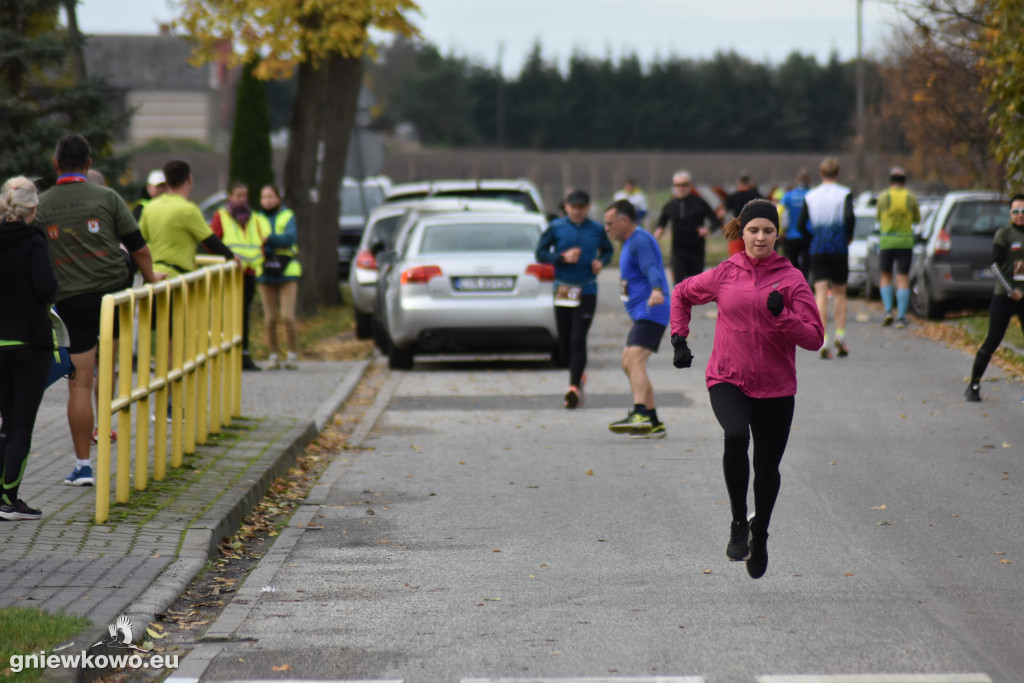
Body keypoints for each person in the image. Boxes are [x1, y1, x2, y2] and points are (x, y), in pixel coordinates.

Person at [670, 199, 823, 578]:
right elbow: (681, 293)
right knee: (735, 436)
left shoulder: (792, 279)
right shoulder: (726, 272)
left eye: (767, 231)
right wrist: (679, 337)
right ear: (743, 232)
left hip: (776, 387)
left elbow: (815, 337)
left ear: (776, 235)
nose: (760, 237)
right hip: (728, 377)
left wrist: (782, 315)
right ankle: (739, 521)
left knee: (767, 468)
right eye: (753, 230)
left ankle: (761, 532)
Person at [34, 134, 164, 487]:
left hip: (72, 299)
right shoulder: (108, 197)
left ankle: (83, 466)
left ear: (56, 163)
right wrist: (151, 277)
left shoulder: (42, 205)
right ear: (89, 164)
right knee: (111, 369)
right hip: (114, 295)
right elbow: (138, 249)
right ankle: (125, 454)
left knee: (80, 384)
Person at [0, 178, 58, 520]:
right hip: (28, 341)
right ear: (33, 210)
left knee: (5, 420)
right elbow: (46, 286)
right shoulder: (34, 240)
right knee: (22, 422)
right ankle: (10, 500)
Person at [536, 189, 614, 408]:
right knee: (565, 345)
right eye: (574, 207)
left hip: (587, 290)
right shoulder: (556, 227)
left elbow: (607, 251)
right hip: (563, 290)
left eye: (582, 207)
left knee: (578, 338)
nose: (577, 211)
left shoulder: (597, 229)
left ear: (588, 208)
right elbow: (540, 253)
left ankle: (573, 388)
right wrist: (561, 257)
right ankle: (579, 375)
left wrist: (601, 262)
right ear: (567, 207)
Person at [603, 199, 670, 439]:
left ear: (625, 220)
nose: (607, 228)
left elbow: (652, 268)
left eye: (610, 223)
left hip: (652, 310)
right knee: (627, 362)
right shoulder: (630, 242)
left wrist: (656, 290)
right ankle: (653, 422)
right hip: (644, 312)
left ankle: (640, 412)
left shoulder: (640, 240)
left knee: (634, 361)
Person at [964, 194, 1024, 402]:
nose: (1020, 215)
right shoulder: (1004, 234)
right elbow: (994, 266)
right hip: (1005, 296)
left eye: (1023, 211)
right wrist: (1010, 290)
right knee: (992, 340)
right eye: (1016, 211)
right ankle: (973, 384)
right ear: (1010, 214)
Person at [795, 157, 855, 359]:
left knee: (820, 293)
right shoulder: (844, 193)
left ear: (821, 174)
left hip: (818, 247)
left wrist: (812, 238)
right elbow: (849, 217)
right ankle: (840, 334)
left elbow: (801, 224)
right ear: (837, 174)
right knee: (840, 293)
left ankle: (823, 340)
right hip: (838, 247)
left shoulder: (811, 195)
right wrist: (848, 236)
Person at [211, 181, 272, 371]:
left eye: (244, 195)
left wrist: (259, 257)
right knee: (229, 314)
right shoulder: (221, 216)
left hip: (248, 272)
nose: (242, 199)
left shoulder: (253, 218)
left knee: (244, 314)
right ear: (230, 196)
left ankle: (244, 353)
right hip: (229, 273)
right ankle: (227, 353)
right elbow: (212, 241)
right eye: (238, 195)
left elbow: (260, 240)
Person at [139, 160, 236, 280]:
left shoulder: (150, 207)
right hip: (176, 279)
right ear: (189, 179)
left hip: (153, 276)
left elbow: (139, 242)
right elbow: (212, 242)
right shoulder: (188, 210)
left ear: (166, 182)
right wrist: (233, 258)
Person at [257, 185, 301, 370]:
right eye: (264, 197)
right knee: (270, 318)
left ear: (278, 199)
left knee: (287, 316)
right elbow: (255, 241)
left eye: (270, 196)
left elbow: (290, 238)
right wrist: (269, 243)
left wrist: (269, 239)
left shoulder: (287, 216)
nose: (267, 200)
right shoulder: (256, 219)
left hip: (287, 271)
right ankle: (273, 355)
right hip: (265, 271)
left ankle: (292, 354)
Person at [654, 171, 721, 285]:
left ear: (690, 186)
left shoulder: (699, 203)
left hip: (696, 251)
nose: (681, 188)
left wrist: (707, 230)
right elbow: (662, 222)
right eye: (678, 185)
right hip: (678, 251)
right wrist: (659, 230)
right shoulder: (670, 205)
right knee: (678, 285)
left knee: (694, 286)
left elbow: (715, 221)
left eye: (684, 185)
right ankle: (680, 303)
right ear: (674, 187)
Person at [876, 167, 921, 328]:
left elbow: (878, 217)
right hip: (905, 242)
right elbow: (917, 219)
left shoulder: (884, 196)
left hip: (887, 242)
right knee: (902, 278)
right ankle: (901, 317)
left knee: (885, 276)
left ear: (890, 181)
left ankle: (888, 310)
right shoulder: (910, 197)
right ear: (904, 182)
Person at [779, 170, 812, 278]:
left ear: (797, 180)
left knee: (792, 265)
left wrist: (780, 231)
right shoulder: (812, 195)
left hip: (791, 235)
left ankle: (794, 287)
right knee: (806, 265)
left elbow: (779, 213)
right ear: (809, 180)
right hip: (808, 235)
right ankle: (805, 285)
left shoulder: (788, 196)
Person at [721, 173, 763, 257]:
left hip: (737, 229)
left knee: (737, 259)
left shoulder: (732, 196)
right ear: (749, 183)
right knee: (754, 258)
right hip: (754, 230)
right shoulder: (756, 195)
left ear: (738, 183)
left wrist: (725, 227)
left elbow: (722, 213)